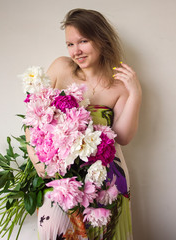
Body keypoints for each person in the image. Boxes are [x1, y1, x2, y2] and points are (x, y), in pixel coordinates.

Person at [26, 8, 142, 240]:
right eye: (70, 44)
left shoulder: (118, 84)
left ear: (101, 39)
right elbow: (34, 118)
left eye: (83, 41)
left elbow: (123, 138)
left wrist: (135, 93)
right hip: (59, 174)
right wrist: (35, 157)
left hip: (106, 177)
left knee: (105, 234)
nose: (76, 51)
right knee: (54, 232)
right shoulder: (61, 68)